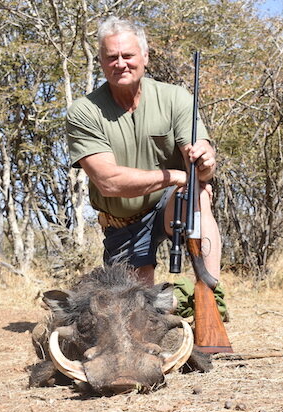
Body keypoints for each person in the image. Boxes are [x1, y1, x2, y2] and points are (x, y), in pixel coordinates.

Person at [66, 17, 226, 317]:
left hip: (169, 206)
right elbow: (109, 182)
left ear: (145, 57)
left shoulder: (176, 98)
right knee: (137, 313)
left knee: (199, 194)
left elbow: (201, 173)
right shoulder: (83, 111)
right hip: (121, 222)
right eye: (111, 57)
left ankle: (210, 296)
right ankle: (176, 305)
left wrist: (205, 162)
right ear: (101, 61)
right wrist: (176, 176)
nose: (120, 63)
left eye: (128, 55)